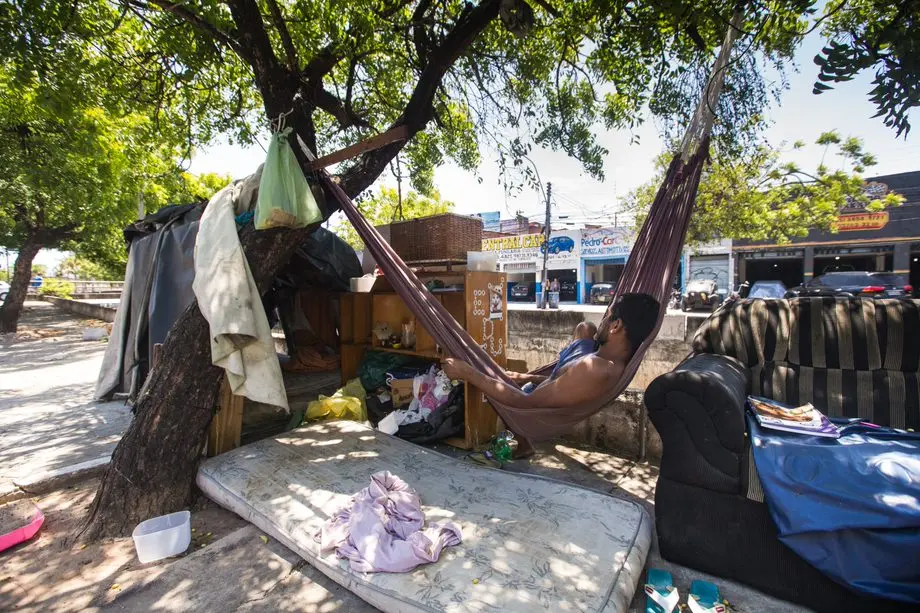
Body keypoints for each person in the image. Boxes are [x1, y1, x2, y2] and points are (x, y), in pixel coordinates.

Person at [441, 293, 660, 458]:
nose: (602, 322)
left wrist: (467, 372)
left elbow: (525, 403)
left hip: (540, 395)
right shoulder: (608, 362)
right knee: (586, 328)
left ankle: (525, 445)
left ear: (616, 326)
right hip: (567, 372)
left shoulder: (594, 368)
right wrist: (528, 376)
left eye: (607, 317)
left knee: (492, 389)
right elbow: (563, 386)